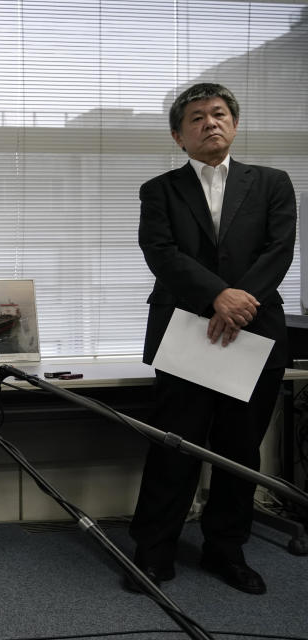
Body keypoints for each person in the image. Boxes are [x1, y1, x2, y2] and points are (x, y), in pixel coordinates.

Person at [129, 83, 296, 596]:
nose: (210, 123)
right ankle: (153, 553)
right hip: (185, 331)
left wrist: (240, 301)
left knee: (239, 452)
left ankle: (226, 550)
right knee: (173, 448)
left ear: (235, 125)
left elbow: (279, 249)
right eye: (197, 118)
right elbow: (160, 253)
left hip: (253, 333)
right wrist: (219, 296)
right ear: (179, 137)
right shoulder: (159, 190)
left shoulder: (272, 183)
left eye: (219, 114)